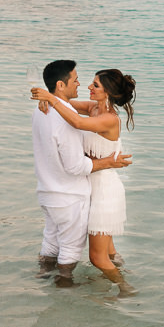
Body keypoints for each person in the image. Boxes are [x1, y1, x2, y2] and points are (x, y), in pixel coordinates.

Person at [32, 68, 137, 296]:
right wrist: (47, 102)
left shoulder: (109, 118)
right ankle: (120, 270)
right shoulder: (94, 107)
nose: (89, 87)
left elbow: (77, 123)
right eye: (90, 83)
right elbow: (66, 105)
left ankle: (125, 288)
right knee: (107, 250)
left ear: (107, 93)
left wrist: (49, 98)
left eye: (96, 85)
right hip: (90, 186)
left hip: (105, 191)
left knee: (96, 256)